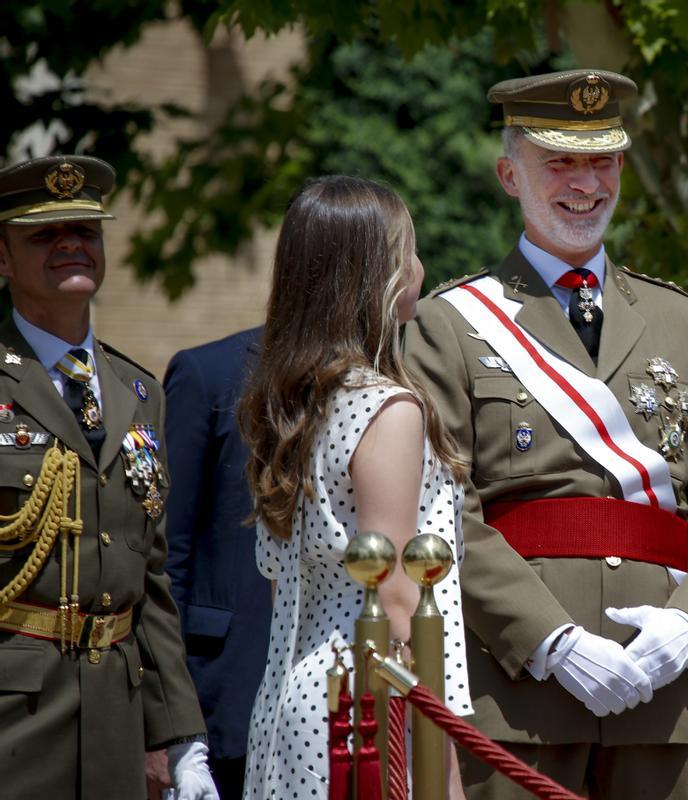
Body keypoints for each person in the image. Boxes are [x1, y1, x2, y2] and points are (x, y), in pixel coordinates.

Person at [402, 69, 688, 799]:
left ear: (623, 168)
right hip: (520, 696)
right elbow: (442, 506)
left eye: (601, 160)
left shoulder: (681, 320)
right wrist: (549, 640)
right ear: (511, 174)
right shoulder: (451, 323)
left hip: (665, 695)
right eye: (559, 161)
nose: (584, 182)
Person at [239, 176, 472, 798]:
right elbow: (399, 600)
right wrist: (443, 763)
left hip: (297, 693)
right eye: (408, 251)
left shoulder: (290, 404)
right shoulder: (386, 408)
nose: (420, 267)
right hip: (372, 704)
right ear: (378, 274)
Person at [0, 155, 215, 799]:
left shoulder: (137, 391)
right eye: (45, 234)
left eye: (86, 231)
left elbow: (149, 574)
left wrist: (178, 734)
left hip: (116, 714)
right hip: (14, 713)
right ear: (2, 258)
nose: (71, 243)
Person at [164, 326, 270, 799]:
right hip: (228, 694)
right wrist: (172, 726)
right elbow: (167, 554)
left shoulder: (387, 377)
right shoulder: (210, 373)